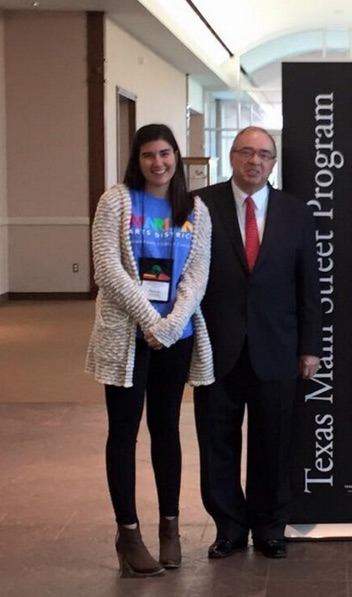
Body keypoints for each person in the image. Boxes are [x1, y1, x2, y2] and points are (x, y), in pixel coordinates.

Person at [85, 124, 213, 577]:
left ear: (176, 156)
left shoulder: (195, 209)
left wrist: (171, 325)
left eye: (164, 153)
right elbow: (107, 269)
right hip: (126, 336)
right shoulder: (116, 200)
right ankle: (129, 533)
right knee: (123, 433)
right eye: (147, 155)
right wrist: (149, 320)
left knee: (167, 431)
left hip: (173, 339)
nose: (157, 163)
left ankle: (170, 529)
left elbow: (197, 276)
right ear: (135, 160)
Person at [193, 126, 322, 560]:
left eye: (264, 154)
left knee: (275, 443)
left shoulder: (295, 212)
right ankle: (229, 527)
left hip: (279, 348)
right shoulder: (202, 206)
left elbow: (310, 285)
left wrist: (310, 347)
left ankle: (270, 526)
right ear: (231, 156)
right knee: (217, 442)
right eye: (246, 152)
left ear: (273, 162)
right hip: (217, 348)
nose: (255, 161)